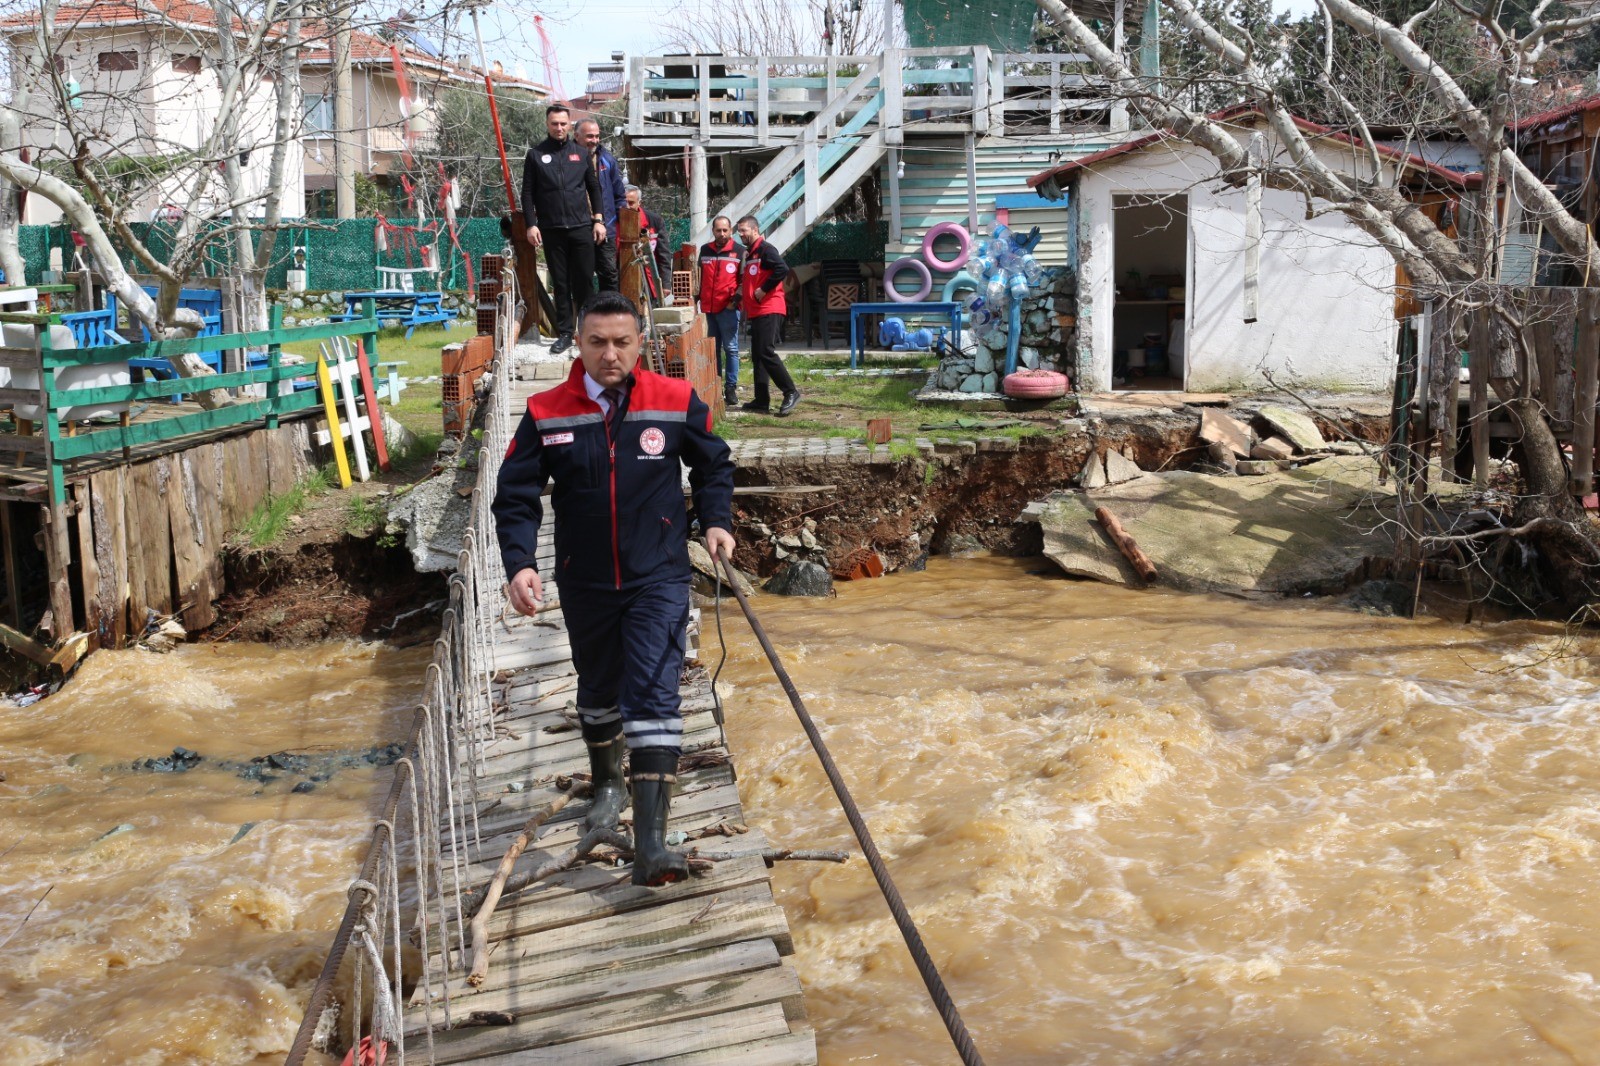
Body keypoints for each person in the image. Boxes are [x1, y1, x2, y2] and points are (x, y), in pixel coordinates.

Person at [493, 290, 737, 887]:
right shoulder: (547, 411)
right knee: (598, 686)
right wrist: (520, 563)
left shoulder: (674, 401)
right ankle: (607, 784)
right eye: (597, 342)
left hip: (659, 574)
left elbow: (714, 465)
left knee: (653, 693)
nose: (610, 354)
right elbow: (516, 494)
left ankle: (651, 844)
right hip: (586, 578)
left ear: (640, 343)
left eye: (622, 342)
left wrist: (716, 520)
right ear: (578, 343)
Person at [521, 104, 606, 354]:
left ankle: (589, 332)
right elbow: (527, 193)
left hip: (581, 228)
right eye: (554, 124)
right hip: (552, 229)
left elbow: (594, 188)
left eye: (563, 123)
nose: (559, 128)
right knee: (560, 283)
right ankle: (566, 333)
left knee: (584, 281)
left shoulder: (581, 153)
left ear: (569, 125)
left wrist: (598, 220)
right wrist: (531, 224)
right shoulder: (535, 155)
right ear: (547, 125)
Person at [734, 215, 801, 416]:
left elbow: (782, 269)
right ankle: (761, 400)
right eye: (739, 231)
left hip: (769, 308)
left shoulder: (766, 249)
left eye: (744, 230)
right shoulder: (751, 253)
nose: (741, 234)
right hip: (757, 310)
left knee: (765, 351)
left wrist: (764, 289)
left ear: (755, 230)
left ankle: (790, 391)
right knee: (757, 355)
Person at [576, 118, 627, 293]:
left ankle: (610, 308)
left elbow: (619, 195)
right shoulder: (568, 159)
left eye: (597, 136)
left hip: (605, 229)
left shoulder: (607, 160)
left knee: (609, 274)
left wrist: (614, 223)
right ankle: (585, 310)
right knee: (581, 276)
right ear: (577, 136)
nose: (595, 140)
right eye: (590, 136)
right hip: (578, 227)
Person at [698, 214, 743, 407]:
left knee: (731, 348)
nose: (722, 233)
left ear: (731, 231)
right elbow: (698, 277)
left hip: (728, 309)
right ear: (713, 231)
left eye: (725, 230)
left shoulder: (739, 251)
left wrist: (734, 301)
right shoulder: (704, 250)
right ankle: (715, 387)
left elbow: (744, 281)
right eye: (718, 230)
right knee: (712, 348)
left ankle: (731, 388)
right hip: (708, 309)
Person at [623, 185, 674, 302]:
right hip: (625, 278)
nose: (627, 206)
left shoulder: (654, 221)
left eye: (631, 203)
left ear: (639, 202)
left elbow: (664, 254)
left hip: (650, 280)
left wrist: (666, 283)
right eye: (624, 202)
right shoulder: (615, 221)